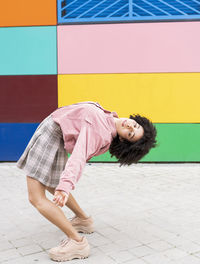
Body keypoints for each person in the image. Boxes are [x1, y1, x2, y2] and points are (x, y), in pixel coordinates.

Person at [17, 101, 157, 262]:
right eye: (136, 126)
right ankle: (83, 220)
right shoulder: (108, 119)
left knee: (36, 198)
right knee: (51, 184)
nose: (131, 127)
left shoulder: (100, 131)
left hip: (50, 138)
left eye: (130, 134)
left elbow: (79, 156)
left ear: (124, 140)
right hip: (54, 136)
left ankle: (77, 242)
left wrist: (65, 186)